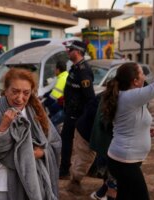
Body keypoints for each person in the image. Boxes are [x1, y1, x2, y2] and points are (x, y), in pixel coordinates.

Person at [102, 39, 154, 200]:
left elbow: (127, 123)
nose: (145, 76)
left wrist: (144, 132)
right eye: (142, 73)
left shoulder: (128, 97)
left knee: (125, 196)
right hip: (125, 161)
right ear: (135, 81)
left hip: (124, 159)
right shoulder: (130, 97)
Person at [0, 68, 61, 200]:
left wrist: (41, 153)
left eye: (26, 93)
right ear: (6, 90)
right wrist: (2, 128)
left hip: (32, 186)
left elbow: (54, 143)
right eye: (15, 92)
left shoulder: (37, 114)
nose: (20, 98)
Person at [59, 40, 95, 179]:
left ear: (78, 52)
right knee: (68, 140)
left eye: (71, 49)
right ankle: (66, 169)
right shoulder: (74, 68)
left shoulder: (83, 71)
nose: (68, 51)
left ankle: (64, 170)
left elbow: (89, 97)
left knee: (69, 140)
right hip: (71, 111)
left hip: (77, 113)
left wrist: (84, 116)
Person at [43, 61, 68, 127]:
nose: (54, 71)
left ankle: (54, 137)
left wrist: (43, 104)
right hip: (64, 106)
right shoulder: (64, 76)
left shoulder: (62, 79)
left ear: (58, 69)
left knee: (51, 124)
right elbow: (53, 90)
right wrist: (44, 95)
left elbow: (54, 96)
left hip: (64, 108)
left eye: (55, 69)